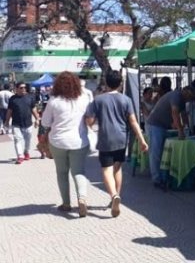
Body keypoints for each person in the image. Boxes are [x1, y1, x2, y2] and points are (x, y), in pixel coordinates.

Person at [85, 70, 148, 218]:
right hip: (121, 138)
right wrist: (142, 140)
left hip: (105, 138)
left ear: (106, 82)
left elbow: (90, 121)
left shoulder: (98, 100)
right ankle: (117, 196)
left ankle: (113, 196)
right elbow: (133, 122)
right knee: (117, 169)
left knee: (106, 170)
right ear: (120, 84)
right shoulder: (126, 100)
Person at [40, 72, 91, 217]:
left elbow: (45, 122)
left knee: (62, 173)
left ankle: (66, 203)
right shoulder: (84, 98)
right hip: (79, 141)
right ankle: (82, 198)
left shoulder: (54, 101)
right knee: (79, 172)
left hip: (58, 142)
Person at [145, 86, 195, 189]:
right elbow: (175, 113)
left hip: (164, 125)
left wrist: (186, 127)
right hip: (155, 124)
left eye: (191, 98)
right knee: (156, 152)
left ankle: (164, 176)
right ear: (185, 91)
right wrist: (180, 130)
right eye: (189, 97)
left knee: (164, 151)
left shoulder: (182, 100)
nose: (189, 99)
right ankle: (157, 179)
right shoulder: (176, 96)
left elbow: (183, 115)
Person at [5, 82, 40, 164]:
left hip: (28, 124)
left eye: (24, 87)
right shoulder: (12, 99)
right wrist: (6, 121)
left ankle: (26, 152)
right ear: (16, 89)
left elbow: (34, 109)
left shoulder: (30, 97)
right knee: (17, 139)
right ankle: (20, 156)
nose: (23, 89)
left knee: (27, 141)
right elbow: (9, 111)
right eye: (21, 88)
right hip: (16, 124)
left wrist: (37, 119)